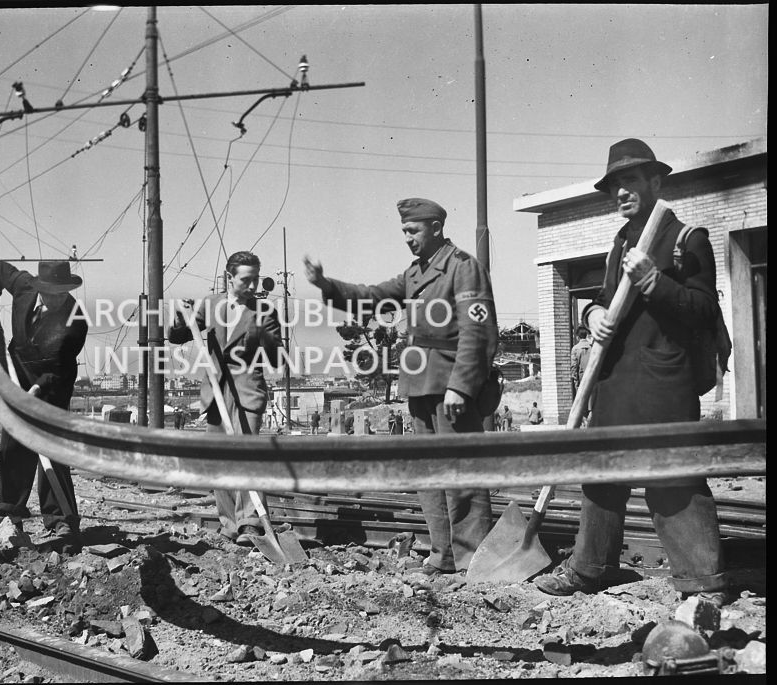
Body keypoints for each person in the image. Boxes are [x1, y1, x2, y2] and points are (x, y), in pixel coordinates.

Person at [533, 139, 728, 615]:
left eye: (630, 181)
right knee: (602, 475)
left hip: (665, 382)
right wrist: (593, 315)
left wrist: (653, 280)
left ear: (655, 182)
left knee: (673, 478)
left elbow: (703, 310)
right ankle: (589, 567)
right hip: (615, 380)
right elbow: (602, 299)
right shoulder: (621, 241)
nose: (620, 191)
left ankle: (703, 581)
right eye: (615, 184)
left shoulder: (687, 239)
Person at [305, 197, 498, 575]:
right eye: (404, 232)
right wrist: (327, 285)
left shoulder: (462, 268)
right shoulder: (415, 274)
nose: (407, 238)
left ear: (436, 228)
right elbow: (372, 296)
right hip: (422, 382)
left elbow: (478, 331)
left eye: (413, 230)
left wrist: (461, 385)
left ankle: (472, 560)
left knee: (462, 472)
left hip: (449, 385)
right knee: (429, 473)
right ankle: (443, 556)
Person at [167, 251, 283, 546]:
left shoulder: (265, 310)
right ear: (230, 278)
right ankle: (229, 523)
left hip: (247, 390)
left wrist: (265, 332)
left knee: (249, 455)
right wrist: (180, 315)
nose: (253, 285)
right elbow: (178, 336)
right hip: (216, 390)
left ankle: (250, 523)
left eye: (256, 279)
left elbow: (275, 357)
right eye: (247, 279)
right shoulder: (212, 304)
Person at [0, 260, 88, 539]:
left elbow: (59, 367)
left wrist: (35, 392)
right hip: (18, 371)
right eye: (51, 293)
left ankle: (60, 518)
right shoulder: (23, 286)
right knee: (12, 445)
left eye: (62, 294)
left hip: (52, 383)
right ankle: (10, 515)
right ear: (39, 288)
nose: (56, 299)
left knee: (51, 446)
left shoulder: (76, 320)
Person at [570, 325, 593, 391]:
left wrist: (576, 383)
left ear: (577, 337)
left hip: (582, 379)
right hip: (592, 378)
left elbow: (574, 367)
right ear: (586, 335)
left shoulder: (575, 349)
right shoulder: (592, 347)